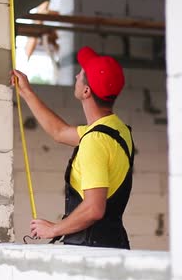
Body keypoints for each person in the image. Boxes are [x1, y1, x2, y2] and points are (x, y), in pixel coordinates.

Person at [11, 46, 135, 249]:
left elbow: (94, 208)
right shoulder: (117, 130)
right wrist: (27, 92)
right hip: (113, 244)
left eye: (81, 74)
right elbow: (59, 132)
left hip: (92, 251)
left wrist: (53, 229)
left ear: (86, 91)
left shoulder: (94, 141)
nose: (77, 74)